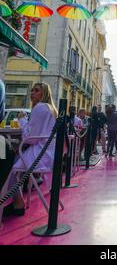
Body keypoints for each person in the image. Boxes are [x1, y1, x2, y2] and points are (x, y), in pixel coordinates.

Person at [2, 82, 58, 216]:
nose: (32, 92)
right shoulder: (51, 109)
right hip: (48, 154)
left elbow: (31, 138)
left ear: (43, 94)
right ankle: (18, 201)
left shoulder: (40, 108)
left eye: (36, 90)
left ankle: (18, 202)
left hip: (40, 155)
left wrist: (22, 120)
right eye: (32, 90)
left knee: (8, 165)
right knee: (13, 156)